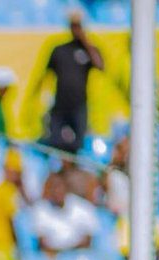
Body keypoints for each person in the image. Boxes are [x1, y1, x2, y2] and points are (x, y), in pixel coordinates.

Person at [42, 12, 102, 155]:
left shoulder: (88, 50)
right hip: (60, 105)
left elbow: (100, 65)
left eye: (78, 26)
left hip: (79, 105)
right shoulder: (60, 50)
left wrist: (85, 41)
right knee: (56, 142)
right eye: (73, 26)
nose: (76, 29)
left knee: (79, 144)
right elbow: (45, 75)